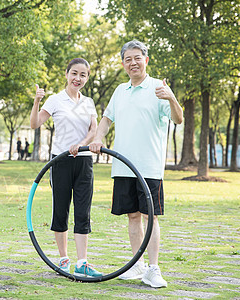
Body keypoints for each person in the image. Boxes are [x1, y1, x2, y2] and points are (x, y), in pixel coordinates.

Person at [89, 40, 183, 288]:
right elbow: (107, 118)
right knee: (132, 216)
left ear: (146, 60)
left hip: (149, 166)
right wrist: (98, 137)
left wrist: (172, 98)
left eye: (137, 58)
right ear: (123, 63)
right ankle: (137, 265)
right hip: (123, 166)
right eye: (128, 59)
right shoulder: (120, 90)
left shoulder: (158, 88)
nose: (133, 63)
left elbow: (178, 118)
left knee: (150, 216)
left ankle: (153, 268)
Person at [30, 58, 101, 277]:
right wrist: (36, 102)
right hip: (60, 161)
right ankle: (63, 259)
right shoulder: (55, 100)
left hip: (84, 160)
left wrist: (81, 145)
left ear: (87, 78)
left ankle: (83, 262)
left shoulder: (88, 102)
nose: (78, 78)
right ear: (66, 74)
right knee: (60, 210)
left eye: (83, 75)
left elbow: (94, 129)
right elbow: (34, 124)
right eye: (74, 74)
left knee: (83, 211)